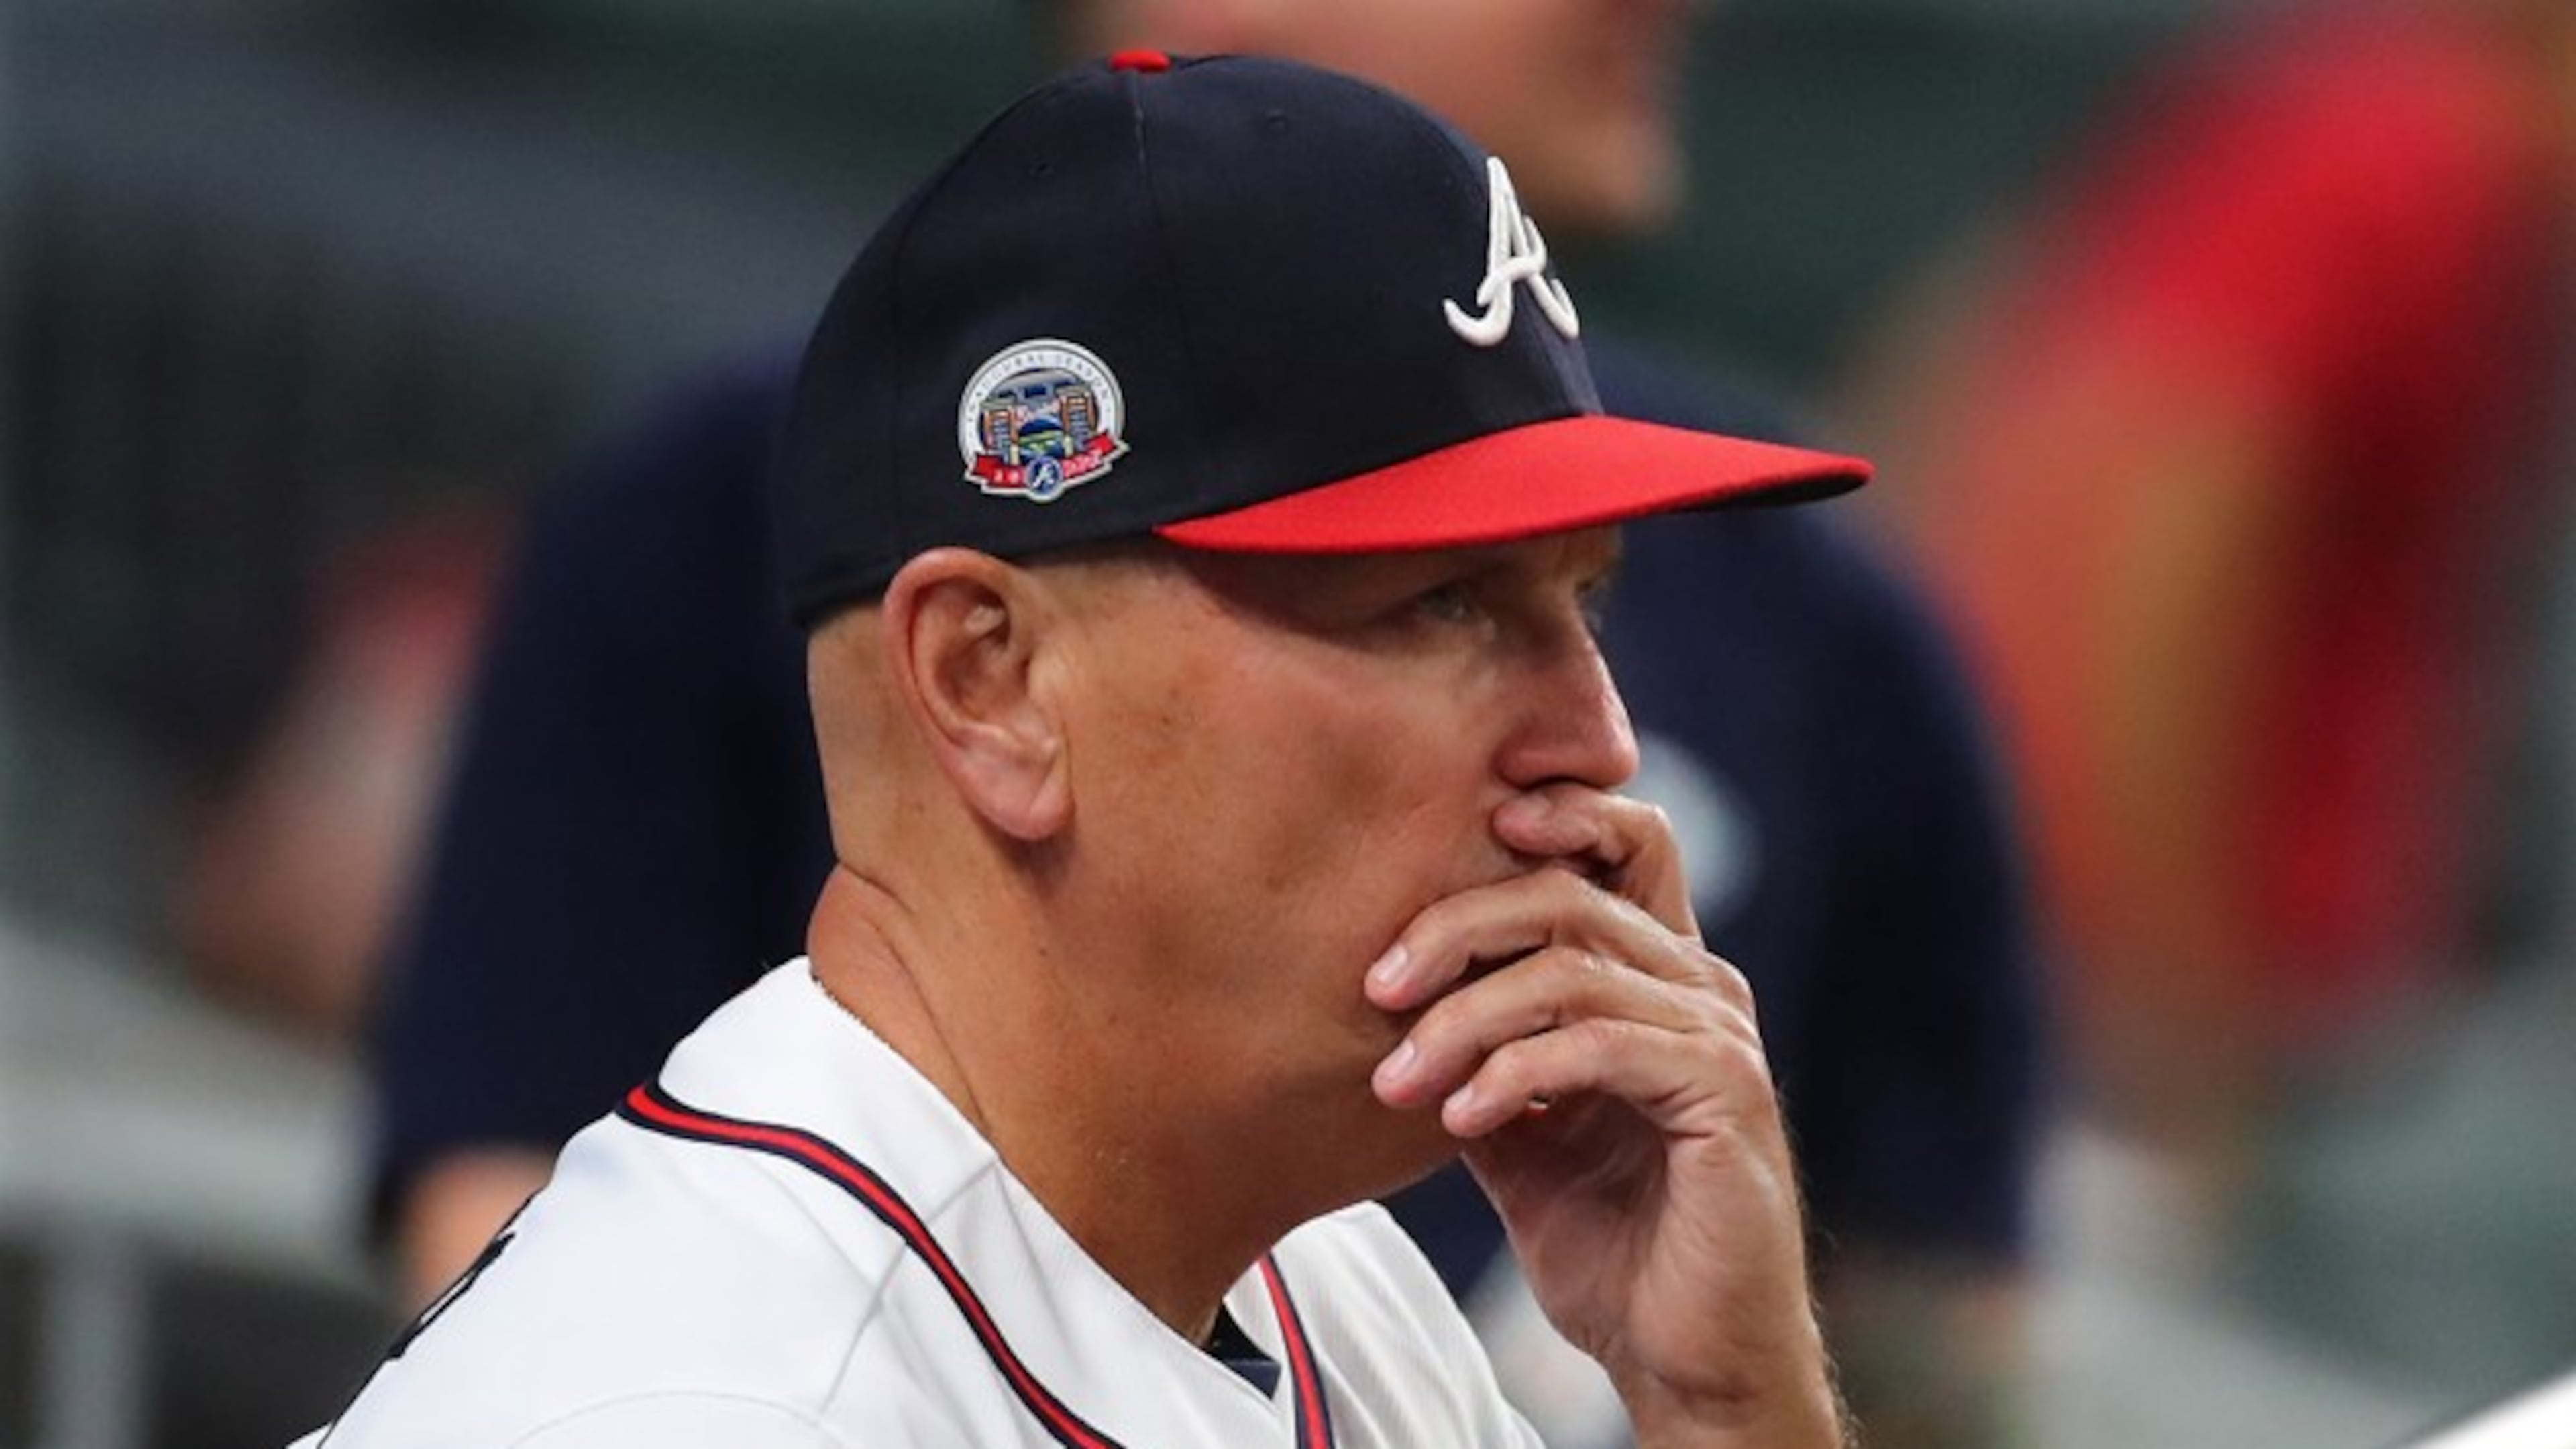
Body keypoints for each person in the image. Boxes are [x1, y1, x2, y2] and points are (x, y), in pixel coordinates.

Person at [368, 3, 2043, 1442]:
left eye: (1582, 604)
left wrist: (1731, 1414)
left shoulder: (1326, 1299)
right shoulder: (710, 1409)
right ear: (990, 683)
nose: (1599, 741)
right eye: (1440, 602)